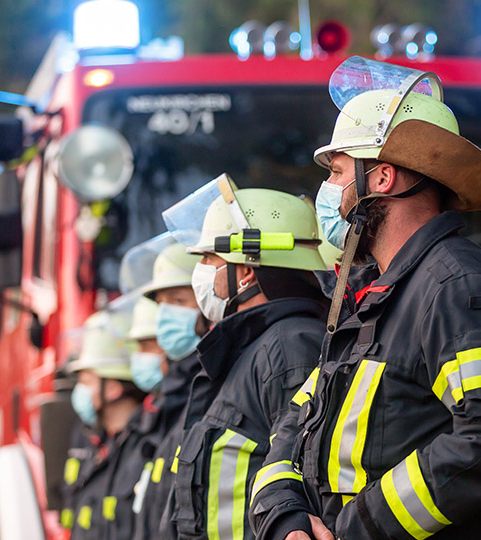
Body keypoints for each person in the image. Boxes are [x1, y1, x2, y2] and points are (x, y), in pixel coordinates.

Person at [251, 56, 481, 540]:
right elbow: (296, 424)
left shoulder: (459, 285)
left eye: (335, 172)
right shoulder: (370, 297)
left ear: (382, 177)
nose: (326, 192)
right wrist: (288, 517)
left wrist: (360, 526)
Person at [158, 179, 328, 540]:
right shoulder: (251, 349)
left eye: (209, 258)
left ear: (247, 271)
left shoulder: (290, 347)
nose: (201, 270)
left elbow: (303, 483)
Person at [126, 236, 207, 540]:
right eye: (162, 305)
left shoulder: (207, 384)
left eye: (178, 301)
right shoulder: (175, 396)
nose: (166, 317)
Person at [64, 309, 149, 540]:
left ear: (113, 389)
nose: (79, 391)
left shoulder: (148, 446)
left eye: (87, 381)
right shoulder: (91, 440)